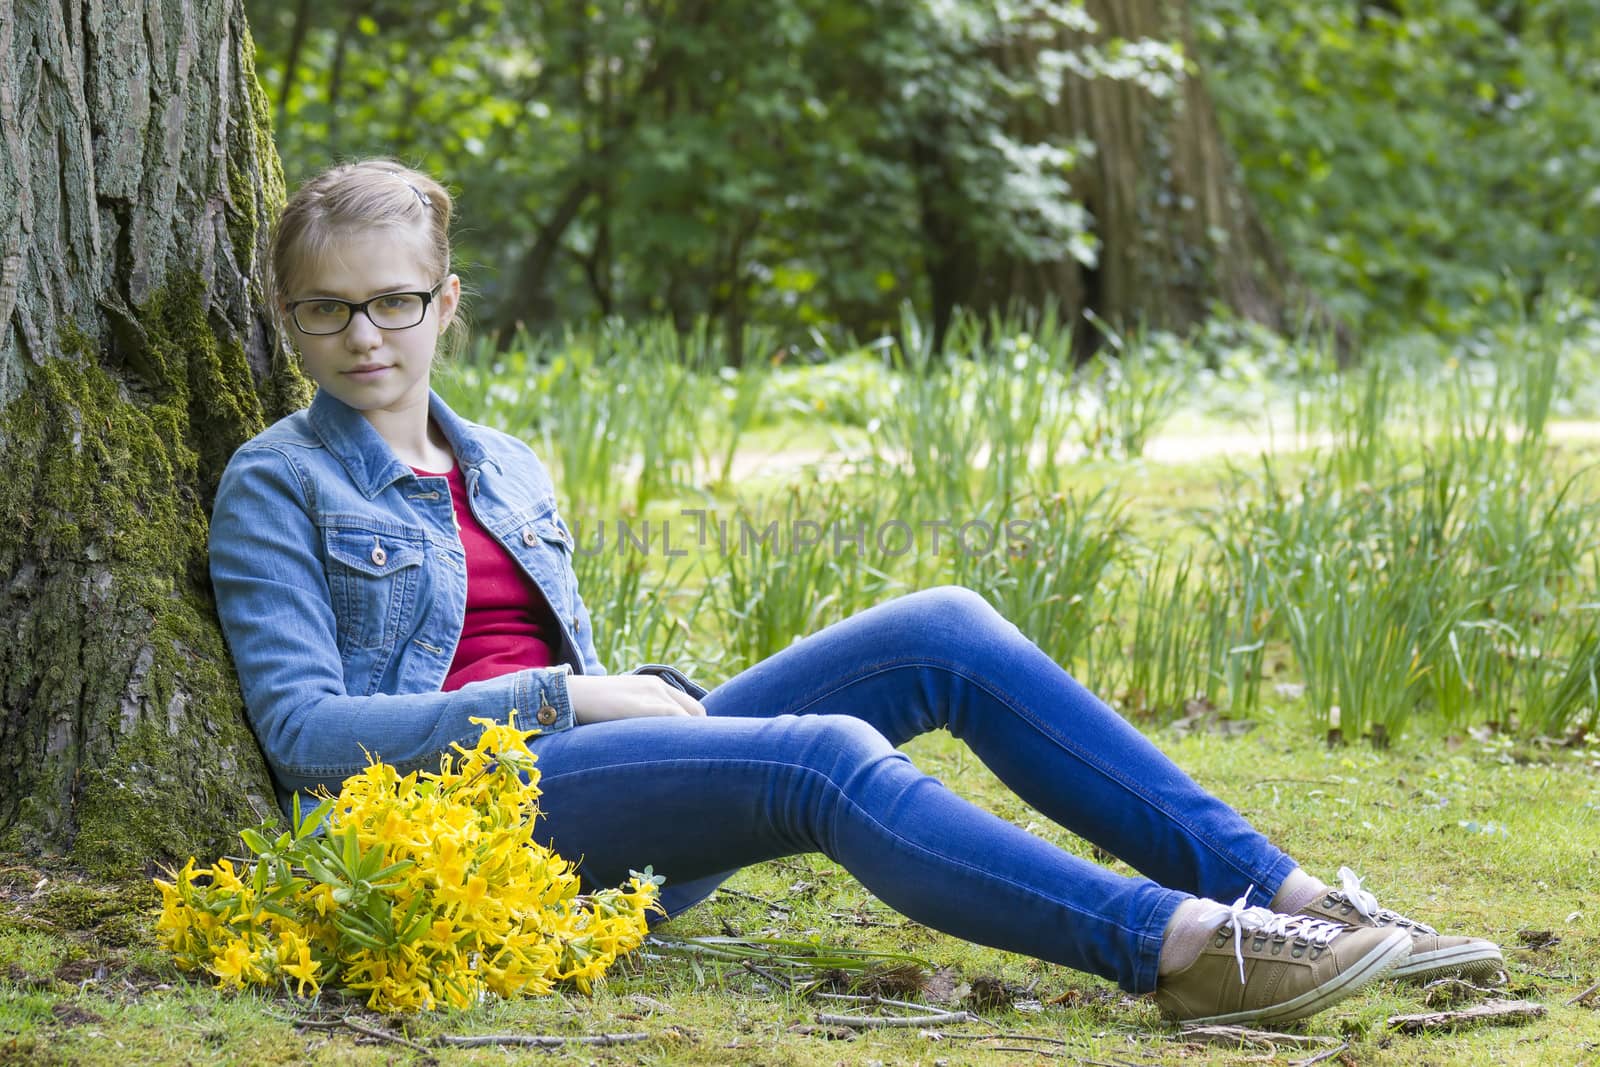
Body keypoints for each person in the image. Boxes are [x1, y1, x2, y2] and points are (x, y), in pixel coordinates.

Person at [208, 159, 1503, 1026]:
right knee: (823, 758)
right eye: (326, 314)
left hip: (597, 797)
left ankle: (1288, 900)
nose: (363, 339)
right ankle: (1180, 950)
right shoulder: (279, 485)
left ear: (447, 304)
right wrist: (573, 694)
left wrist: (611, 710)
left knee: (940, 629)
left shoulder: (508, 465)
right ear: (289, 321)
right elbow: (304, 738)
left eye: (391, 303)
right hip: (458, 832)